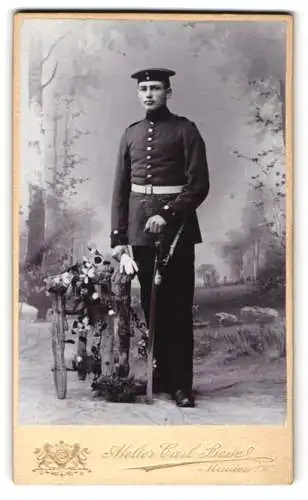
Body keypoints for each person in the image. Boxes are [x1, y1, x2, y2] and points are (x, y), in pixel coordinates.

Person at [110, 68, 210, 407]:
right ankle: (160, 378)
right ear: (138, 94)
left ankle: (181, 385)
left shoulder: (186, 130)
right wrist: (119, 236)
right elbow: (121, 189)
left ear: (168, 92)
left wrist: (166, 214)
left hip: (177, 231)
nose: (149, 94)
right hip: (139, 232)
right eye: (144, 89)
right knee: (149, 307)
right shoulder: (131, 134)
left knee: (177, 308)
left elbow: (198, 186)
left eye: (155, 88)